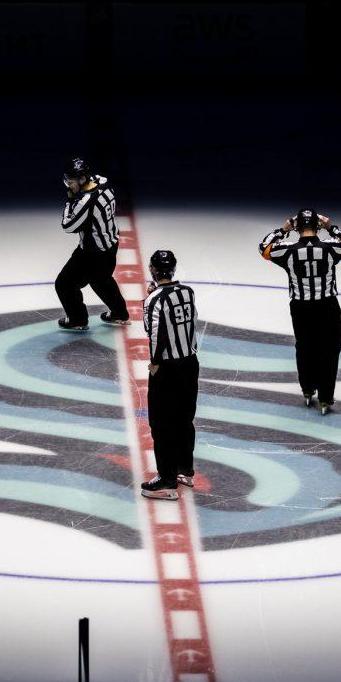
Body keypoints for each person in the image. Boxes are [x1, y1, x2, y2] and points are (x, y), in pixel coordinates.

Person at [257, 208, 341, 414]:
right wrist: (331, 227)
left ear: (297, 227)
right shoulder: (330, 248)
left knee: (305, 347)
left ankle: (308, 389)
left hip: (301, 307)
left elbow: (264, 248)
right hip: (327, 305)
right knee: (330, 349)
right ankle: (326, 396)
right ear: (317, 226)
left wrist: (283, 229)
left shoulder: (288, 250)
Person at [140, 250, 199, 501]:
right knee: (185, 419)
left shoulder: (153, 299)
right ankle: (185, 469)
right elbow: (192, 320)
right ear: (173, 269)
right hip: (190, 362)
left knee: (162, 424)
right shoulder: (187, 292)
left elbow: (153, 332)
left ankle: (167, 479)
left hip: (167, 368)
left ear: (153, 270)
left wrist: (155, 363)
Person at [54, 157, 128, 331]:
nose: (68, 186)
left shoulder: (86, 201)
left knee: (64, 284)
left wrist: (69, 201)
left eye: (71, 182)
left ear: (81, 179)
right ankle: (119, 313)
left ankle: (77, 319)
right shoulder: (103, 181)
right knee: (101, 279)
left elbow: (68, 225)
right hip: (110, 243)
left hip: (92, 253)